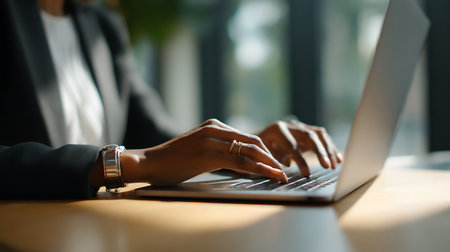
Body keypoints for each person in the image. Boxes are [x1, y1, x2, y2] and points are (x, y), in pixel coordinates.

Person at [0, 0, 343, 199]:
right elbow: (151, 158)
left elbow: (157, 137)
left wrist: (244, 145)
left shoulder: (102, 26)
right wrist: (134, 164)